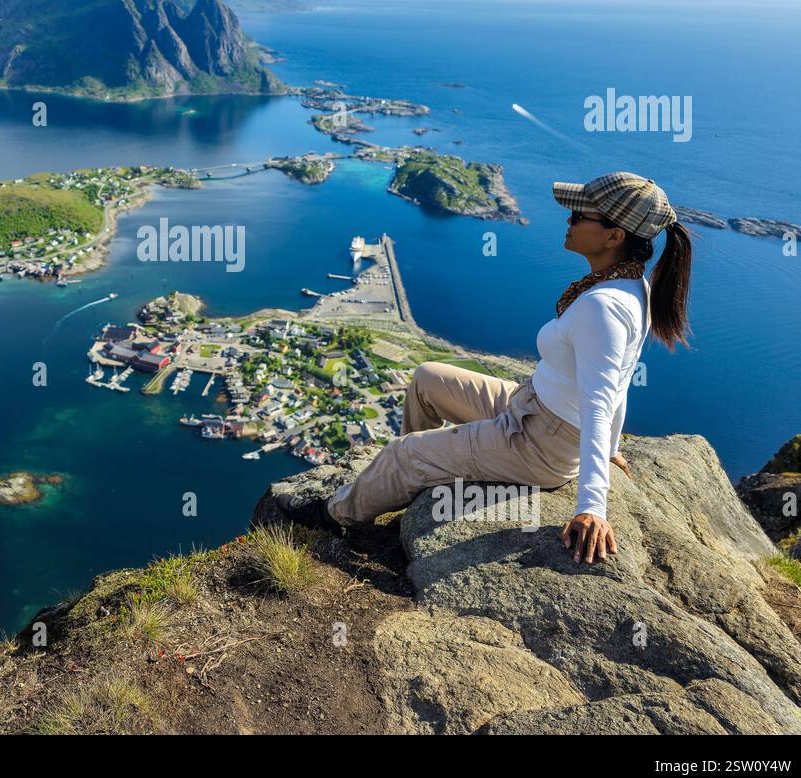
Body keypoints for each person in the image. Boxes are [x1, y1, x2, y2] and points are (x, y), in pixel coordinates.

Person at [275, 172, 693, 565]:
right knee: (426, 379)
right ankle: (414, 481)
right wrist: (614, 446)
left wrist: (592, 506)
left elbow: (602, 399)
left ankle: (335, 516)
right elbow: (620, 379)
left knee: (402, 454)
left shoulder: (605, 306)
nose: (568, 220)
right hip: (528, 403)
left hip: (541, 444)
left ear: (614, 235)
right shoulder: (630, 286)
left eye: (580, 215)